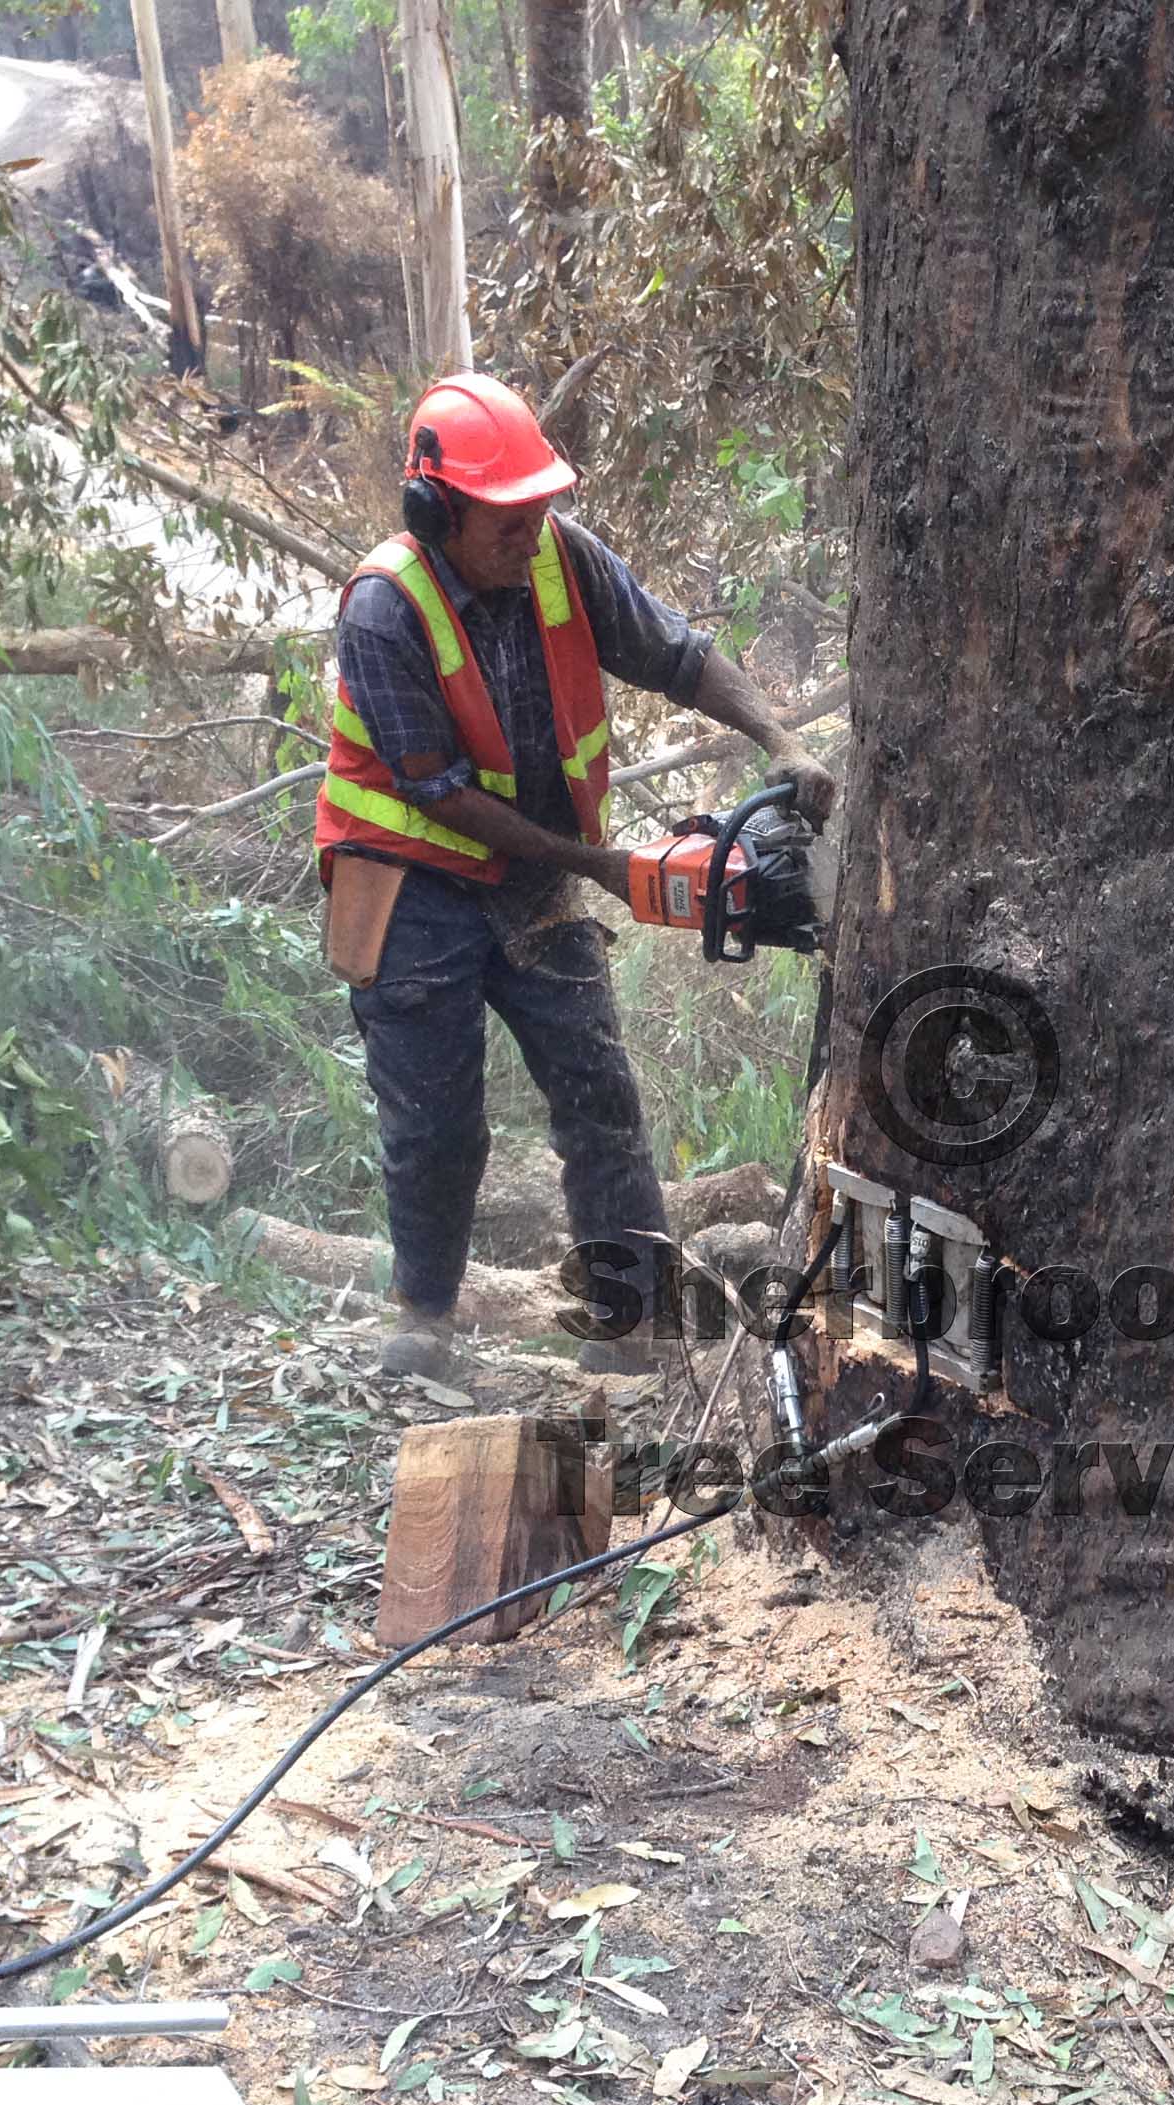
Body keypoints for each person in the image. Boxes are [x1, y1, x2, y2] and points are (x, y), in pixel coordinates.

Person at [314, 370, 837, 1384]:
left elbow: (679, 655)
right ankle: (425, 1314)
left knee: (598, 1090)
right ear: (437, 512)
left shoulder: (563, 558)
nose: (529, 534)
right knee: (436, 1120)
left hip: (538, 870)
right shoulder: (383, 611)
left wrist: (777, 736)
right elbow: (439, 792)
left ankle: (631, 1325)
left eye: (538, 510)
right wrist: (602, 864)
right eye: (506, 519)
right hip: (410, 881)